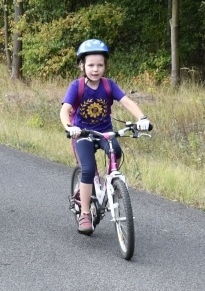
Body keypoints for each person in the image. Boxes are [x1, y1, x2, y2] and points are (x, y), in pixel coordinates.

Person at [59, 39, 151, 235]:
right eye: (91, 65)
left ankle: (110, 181)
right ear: (82, 65)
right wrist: (69, 127)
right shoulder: (76, 86)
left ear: (105, 66)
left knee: (116, 151)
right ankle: (84, 213)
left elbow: (127, 102)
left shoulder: (109, 85)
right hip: (83, 134)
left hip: (105, 132)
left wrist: (142, 118)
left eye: (100, 65)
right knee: (88, 169)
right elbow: (65, 110)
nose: (95, 69)